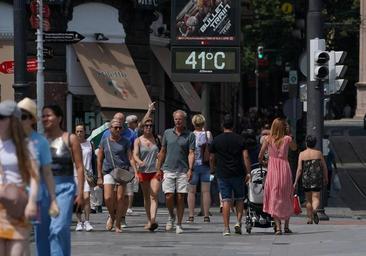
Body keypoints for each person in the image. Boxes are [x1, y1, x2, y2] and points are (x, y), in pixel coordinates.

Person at [17, 98, 60, 255]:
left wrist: (54, 199)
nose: (19, 120)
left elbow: (47, 173)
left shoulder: (40, 142)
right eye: (17, 116)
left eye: (24, 116)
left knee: (41, 237)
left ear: (31, 119)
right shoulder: (10, 141)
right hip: (15, 196)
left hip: (39, 197)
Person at [42, 104, 84, 256]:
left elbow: (79, 167)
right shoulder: (41, 140)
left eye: (49, 115)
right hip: (44, 188)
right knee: (44, 232)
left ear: (59, 118)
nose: (45, 118)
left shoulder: (70, 138)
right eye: (43, 116)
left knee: (58, 228)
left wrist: (80, 193)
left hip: (65, 187)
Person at [0, 100, 39, 256]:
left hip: (18, 204)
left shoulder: (25, 145)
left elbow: (35, 177)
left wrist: (32, 202)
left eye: (2, 117)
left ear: (13, 120)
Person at [209, 114, 251, 236]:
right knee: (239, 199)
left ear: (223, 125)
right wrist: (248, 172)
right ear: (233, 126)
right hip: (238, 173)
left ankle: (226, 228)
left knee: (226, 200)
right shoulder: (240, 139)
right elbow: (246, 156)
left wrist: (212, 169)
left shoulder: (216, 140)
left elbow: (211, 157)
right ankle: (238, 222)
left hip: (223, 173)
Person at [156, 110, 195, 234]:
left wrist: (190, 169)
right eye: (176, 119)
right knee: (169, 195)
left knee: (180, 196)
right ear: (173, 120)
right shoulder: (167, 133)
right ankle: (171, 215)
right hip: (168, 168)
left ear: (184, 120)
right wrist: (158, 168)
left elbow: (191, 153)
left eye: (180, 119)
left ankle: (179, 223)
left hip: (183, 170)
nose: (178, 121)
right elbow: (162, 151)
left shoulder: (190, 135)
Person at [258, 118, 297, 235]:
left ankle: (278, 227)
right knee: (287, 196)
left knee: (274, 196)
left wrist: (265, 162)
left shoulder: (268, 139)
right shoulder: (287, 139)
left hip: (272, 170)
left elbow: (260, 155)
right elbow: (295, 148)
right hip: (284, 169)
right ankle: (286, 226)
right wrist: (289, 133)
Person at [97, 119, 133, 233]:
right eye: (115, 127)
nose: (118, 130)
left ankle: (118, 223)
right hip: (108, 170)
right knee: (107, 198)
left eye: (120, 128)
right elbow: (99, 159)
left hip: (122, 171)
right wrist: (99, 176)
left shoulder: (126, 141)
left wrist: (135, 170)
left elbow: (130, 157)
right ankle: (112, 216)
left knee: (120, 198)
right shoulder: (104, 141)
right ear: (110, 129)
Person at [133, 117, 161, 231]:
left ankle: (153, 219)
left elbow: (162, 153)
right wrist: (139, 161)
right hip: (143, 171)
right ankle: (149, 220)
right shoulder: (138, 140)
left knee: (153, 194)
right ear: (142, 128)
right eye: (146, 125)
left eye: (150, 126)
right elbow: (135, 154)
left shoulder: (157, 139)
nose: (148, 127)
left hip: (155, 171)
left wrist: (160, 161)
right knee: (146, 197)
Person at [294, 135, 328, 224]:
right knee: (316, 197)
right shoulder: (318, 153)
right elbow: (324, 167)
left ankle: (309, 218)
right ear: (315, 143)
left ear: (306, 143)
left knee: (308, 199)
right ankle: (315, 210)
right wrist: (326, 177)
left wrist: (296, 181)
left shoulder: (302, 154)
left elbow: (299, 169)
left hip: (306, 178)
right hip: (316, 178)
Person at [187, 114, 213, 223]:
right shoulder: (208, 134)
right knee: (206, 191)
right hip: (205, 164)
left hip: (193, 165)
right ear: (203, 123)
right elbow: (211, 146)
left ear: (193, 123)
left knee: (191, 191)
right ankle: (206, 215)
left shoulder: (190, 135)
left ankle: (191, 216)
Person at [74, 124, 94, 232]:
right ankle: (79, 222)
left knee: (86, 197)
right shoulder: (72, 145)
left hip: (87, 174)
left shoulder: (89, 144)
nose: (79, 133)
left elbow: (93, 160)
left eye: (81, 131)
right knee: (78, 198)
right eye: (77, 131)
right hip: (75, 174)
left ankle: (87, 221)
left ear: (84, 132)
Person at [125, 115, 139, 216]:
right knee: (129, 186)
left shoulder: (132, 133)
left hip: (130, 162)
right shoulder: (133, 133)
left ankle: (128, 207)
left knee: (129, 186)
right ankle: (128, 207)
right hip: (129, 162)